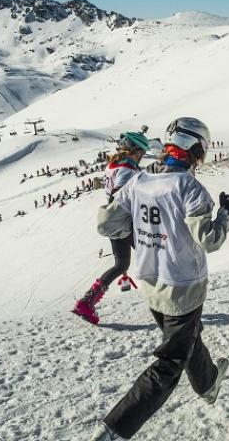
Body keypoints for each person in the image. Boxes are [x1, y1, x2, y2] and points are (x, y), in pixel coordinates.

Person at [90, 117, 229, 441]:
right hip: (183, 288)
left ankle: (209, 383)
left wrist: (148, 237)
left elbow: (106, 224)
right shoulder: (189, 187)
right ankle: (114, 430)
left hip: (151, 284)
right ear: (197, 149)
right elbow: (210, 240)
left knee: (187, 337)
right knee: (170, 363)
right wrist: (227, 214)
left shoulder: (139, 181)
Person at [72, 131, 150, 325]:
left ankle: (86, 302)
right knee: (153, 257)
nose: (143, 156)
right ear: (136, 150)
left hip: (114, 223)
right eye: (142, 152)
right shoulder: (126, 168)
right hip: (128, 222)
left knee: (121, 265)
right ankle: (166, 302)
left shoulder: (113, 164)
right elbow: (120, 193)